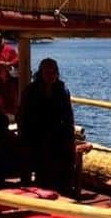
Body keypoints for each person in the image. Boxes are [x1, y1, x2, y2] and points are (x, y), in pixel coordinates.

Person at [17, 57, 77, 197]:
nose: (50, 75)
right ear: (41, 73)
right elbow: (23, 116)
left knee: (65, 149)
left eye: (53, 72)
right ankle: (40, 185)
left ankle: (64, 188)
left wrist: (70, 138)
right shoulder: (31, 90)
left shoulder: (62, 90)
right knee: (40, 148)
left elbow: (68, 117)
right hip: (35, 132)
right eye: (47, 72)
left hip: (57, 133)